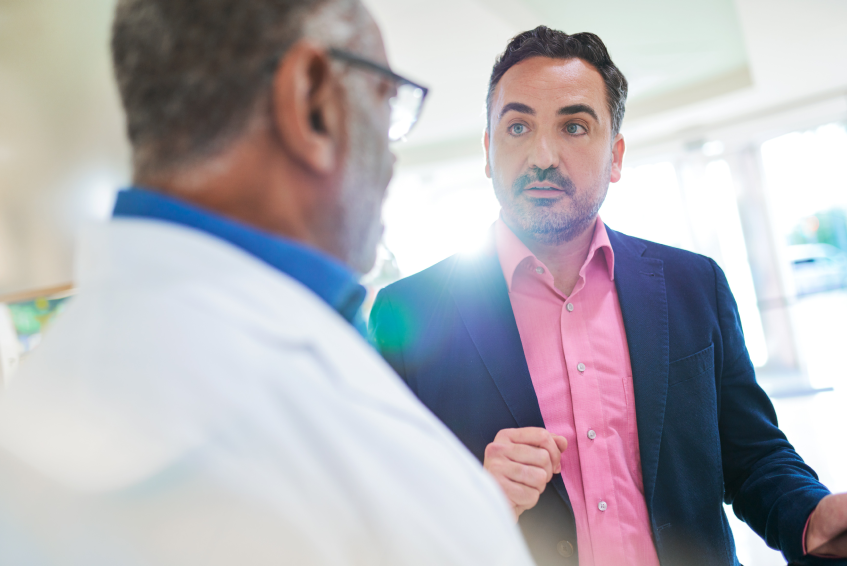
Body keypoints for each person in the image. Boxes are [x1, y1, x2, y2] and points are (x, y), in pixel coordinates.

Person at [0, 2, 535, 565]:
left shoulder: (30, 408)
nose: (393, 157)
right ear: (313, 104)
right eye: (386, 99)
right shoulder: (344, 464)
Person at [370, 26, 847, 566]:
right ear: (488, 150)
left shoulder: (695, 285)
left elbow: (754, 458)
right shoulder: (407, 313)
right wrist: (475, 500)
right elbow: (373, 507)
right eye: (518, 126)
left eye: (574, 126)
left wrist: (812, 518)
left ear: (616, 156)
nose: (542, 155)